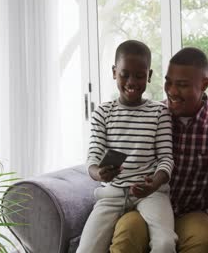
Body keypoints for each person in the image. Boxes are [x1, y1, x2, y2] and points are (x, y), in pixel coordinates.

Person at [110, 47, 208, 253]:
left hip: (193, 212)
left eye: (181, 85)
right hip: (144, 206)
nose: (172, 90)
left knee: (203, 238)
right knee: (126, 233)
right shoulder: (151, 116)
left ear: (204, 84)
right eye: (168, 82)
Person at [76, 40, 177, 253]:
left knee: (165, 243)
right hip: (112, 193)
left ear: (149, 76)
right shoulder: (103, 113)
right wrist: (99, 174)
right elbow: (93, 157)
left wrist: (154, 183)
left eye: (140, 76)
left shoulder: (159, 113)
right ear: (114, 72)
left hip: (151, 193)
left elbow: (166, 159)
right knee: (86, 249)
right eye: (125, 74)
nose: (132, 82)